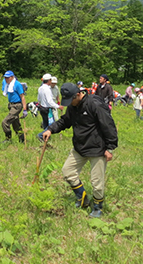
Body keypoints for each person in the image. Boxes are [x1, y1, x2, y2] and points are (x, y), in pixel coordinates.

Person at [42, 82, 118, 218]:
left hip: (97, 149)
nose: (70, 103)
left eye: (71, 99)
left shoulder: (94, 104)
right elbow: (65, 121)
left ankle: (97, 207)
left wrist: (110, 147)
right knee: (67, 171)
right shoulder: (73, 106)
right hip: (80, 147)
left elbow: (108, 124)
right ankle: (83, 198)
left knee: (97, 182)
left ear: (78, 94)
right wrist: (50, 129)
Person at [1, 70, 27, 144]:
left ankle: (8, 139)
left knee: (5, 122)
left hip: (17, 106)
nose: (6, 79)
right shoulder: (8, 85)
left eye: (7, 78)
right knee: (16, 124)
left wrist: (24, 109)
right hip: (11, 105)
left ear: (12, 77)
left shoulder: (17, 84)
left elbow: (22, 97)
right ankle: (22, 140)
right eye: (5, 78)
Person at [37, 73, 62, 143]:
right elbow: (50, 101)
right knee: (52, 124)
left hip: (41, 108)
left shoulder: (40, 88)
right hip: (47, 109)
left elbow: (38, 98)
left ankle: (46, 138)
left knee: (46, 124)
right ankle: (41, 135)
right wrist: (58, 106)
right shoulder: (47, 89)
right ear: (49, 80)